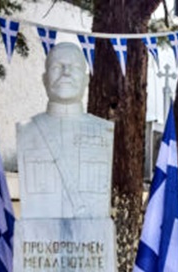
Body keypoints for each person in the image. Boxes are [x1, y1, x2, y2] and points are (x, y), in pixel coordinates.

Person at [17, 41, 113, 220]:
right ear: (44, 80)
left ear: (86, 80)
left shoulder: (103, 131)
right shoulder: (27, 131)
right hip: (39, 237)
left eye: (74, 67)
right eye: (57, 67)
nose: (66, 72)